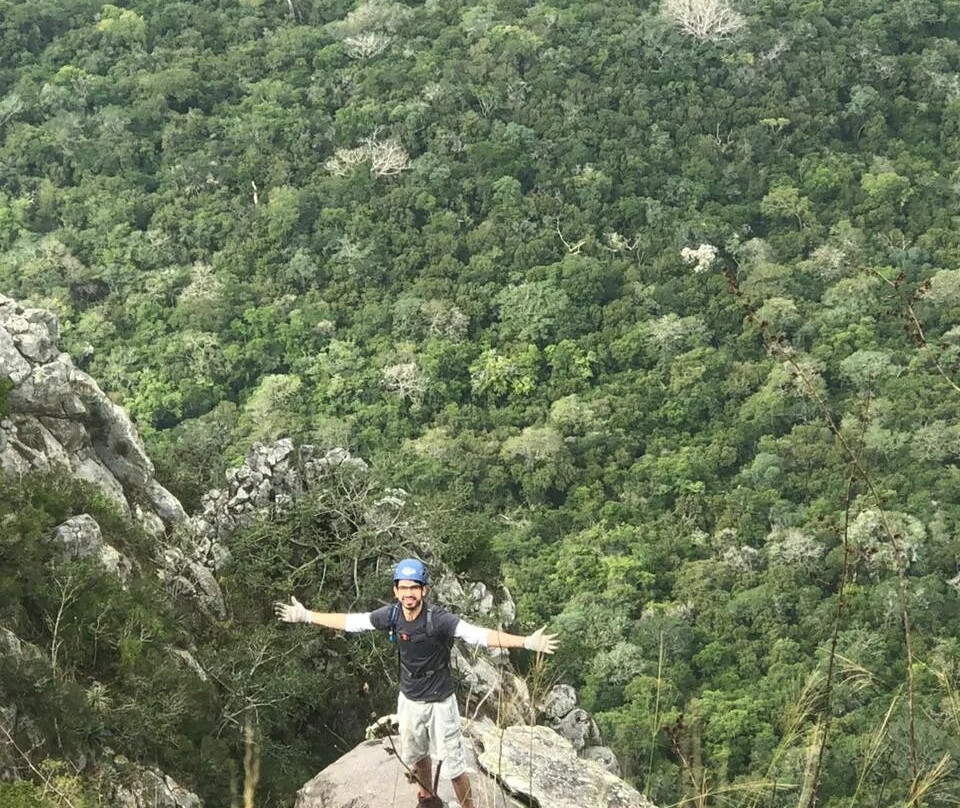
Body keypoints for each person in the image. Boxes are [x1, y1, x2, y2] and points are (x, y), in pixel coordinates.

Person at [275, 557, 558, 808]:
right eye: (404, 587)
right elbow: (353, 622)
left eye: (414, 587)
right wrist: (306, 616)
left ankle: (467, 806)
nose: (409, 593)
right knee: (418, 754)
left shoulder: (439, 620)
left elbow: (479, 635)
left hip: (440, 703)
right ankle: (427, 797)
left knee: (455, 766)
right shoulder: (393, 616)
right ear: (396, 591)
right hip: (409, 699)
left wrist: (525, 642)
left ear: (423, 590)